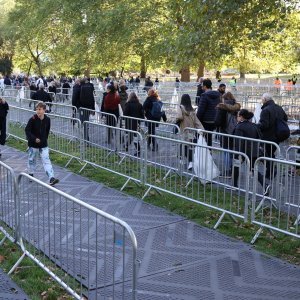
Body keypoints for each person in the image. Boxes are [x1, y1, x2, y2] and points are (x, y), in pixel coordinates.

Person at [257, 93, 288, 194]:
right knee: (270, 153)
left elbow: (264, 125)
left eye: (262, 99)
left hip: (268, 136)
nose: (262, 101)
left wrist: (256, 126)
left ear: (265, 99)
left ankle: (270, 172)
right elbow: (285, 118)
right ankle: (270, 172)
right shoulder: (279, 108)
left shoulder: (265, 110)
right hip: (277, 136)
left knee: (266, 155)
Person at [25, 101, 59, 186]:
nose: (38, 111)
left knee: (46, 160)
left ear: (44, 110)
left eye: (39, 109)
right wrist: (34, 139)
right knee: (32, 159)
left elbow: (47, 131)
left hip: (43, 144)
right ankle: (31, 173)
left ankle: (51, 178)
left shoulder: (47, 120)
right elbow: (27, 130)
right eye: (37, 109)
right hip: (33, 144)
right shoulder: (32, 119)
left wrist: (44, 139)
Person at [232, 109, 264, 189]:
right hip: (253, 151)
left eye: (238, 116)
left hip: (242, 151)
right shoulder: (254, 125)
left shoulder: (239, 127)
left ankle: (234, 185)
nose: (237, 117)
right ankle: (265, 185)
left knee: (236, 166)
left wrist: (238, 153)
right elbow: (259, 136)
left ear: (242, 117)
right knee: (253, 169)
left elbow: (238, 141)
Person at [214, 92, 241, 177]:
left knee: (226, 151)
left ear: (224, 99)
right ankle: (234, 170)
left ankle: (228, 171)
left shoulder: (222, 107)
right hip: (234, 131)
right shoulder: (236, 107)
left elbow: (218, 121)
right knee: (233, 152)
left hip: (225, 131)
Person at [176, 94, 204, 170]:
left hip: (184, 130)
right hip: (191, 131)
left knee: (184, 145)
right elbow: (197, 121)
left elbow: (179, 117)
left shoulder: (181, 107)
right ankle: (185, 159)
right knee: (189, 146)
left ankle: (189, 161)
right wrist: (202, 129)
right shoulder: (192, 110)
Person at [196, 79, 221, 146]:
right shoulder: (218, 95)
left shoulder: (204, 95)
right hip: (214, 119)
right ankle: (209, 152)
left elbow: (201, 110)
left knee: (203, 139)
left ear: (205, 86)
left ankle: (205, 153)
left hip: (206, 121)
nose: (201, 87)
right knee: (209, 137)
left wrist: (196, 120)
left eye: (202, 86)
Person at [123, 92, 144, 156]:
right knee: (134, 136)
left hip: (129, 123)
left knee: (132, 136)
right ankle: (126, 146)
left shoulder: (128, 104)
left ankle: (138, 150)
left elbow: (125, 114)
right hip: (136, 123)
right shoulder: (140, 105)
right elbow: (142, 116)